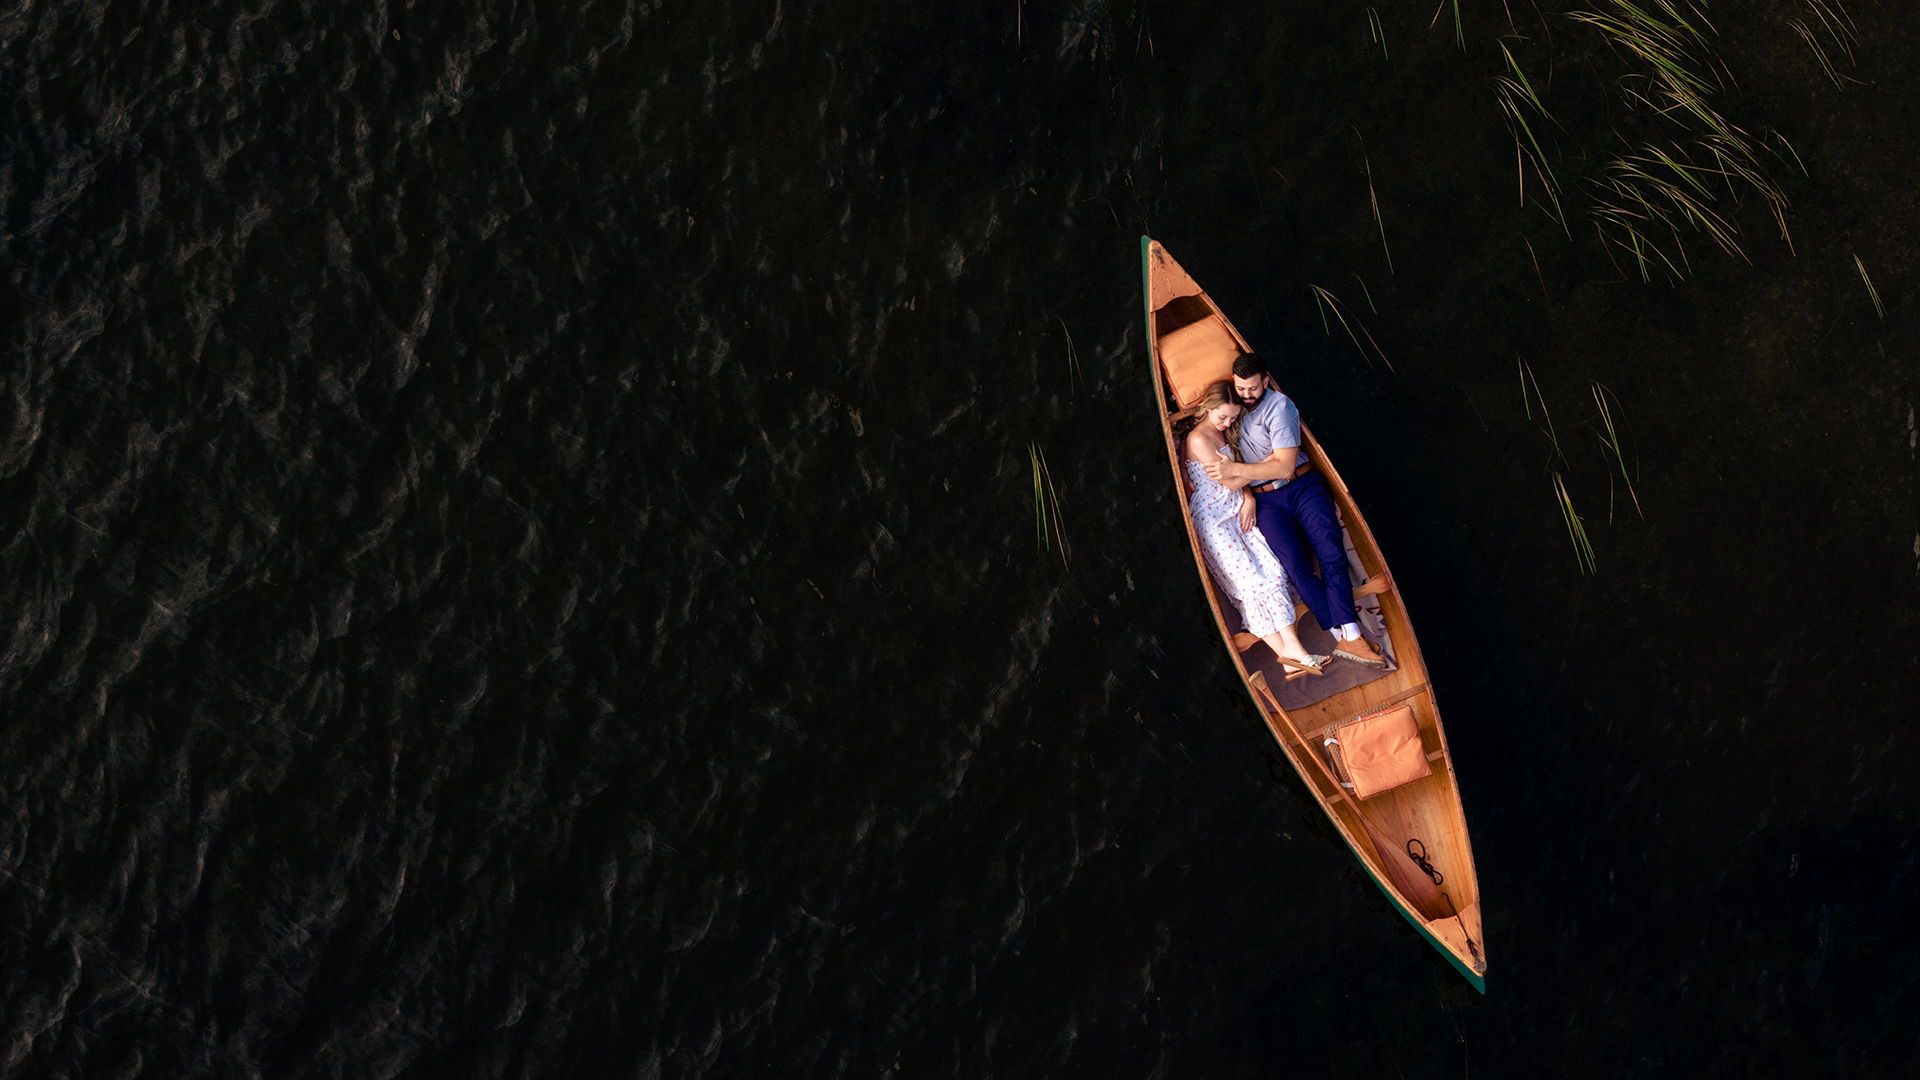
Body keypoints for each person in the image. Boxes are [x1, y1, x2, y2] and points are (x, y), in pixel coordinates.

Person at [1202, 353, 1388, 668]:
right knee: (1293, 565)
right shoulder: (1232, 411)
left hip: (1301, 486)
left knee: (1329, 551)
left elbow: (1285, 466)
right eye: (1240, 388)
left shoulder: (1279, 407)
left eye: (1252, 389)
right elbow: (1209, 427)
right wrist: (1247, 494)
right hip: (1266, 500)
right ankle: (1341, 634)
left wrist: (1237, 469)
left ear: (1265, 380)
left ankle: (1352, 634)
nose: (1246, 396)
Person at [1174, 380, 1328, 676]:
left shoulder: (1226, 433)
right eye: (1222, 417)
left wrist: (1248, 499)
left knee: (1273, 571)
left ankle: (1293, 655)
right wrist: (1270, 463)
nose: (1228, 423)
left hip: (1237, 507)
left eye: (1233, 417)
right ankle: (1291, 654)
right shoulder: (1198, 440)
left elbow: (1237, 477)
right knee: (1250, 584)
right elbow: (1230, 479)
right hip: (1214, 519)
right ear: (1208, 408)